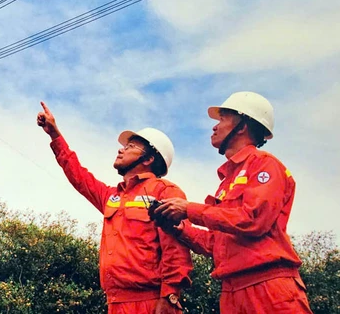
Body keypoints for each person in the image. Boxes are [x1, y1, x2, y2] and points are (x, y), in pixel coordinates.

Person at [151, 91, 312, 313]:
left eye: (222, 118)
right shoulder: (228, 181)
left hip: (268, 287)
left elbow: (253, 220)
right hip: (231, 291)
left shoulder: (265, 165)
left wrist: (188, 209)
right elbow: (215, 244)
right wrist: (179, 229)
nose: (215, 126)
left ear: (242, 125)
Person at [37, 101, 192, 314]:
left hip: (151, 302)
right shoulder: (112, 196)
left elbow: (176, 248)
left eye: (130, 147)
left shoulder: (165, 192)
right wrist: (55, 136)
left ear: (149, 158)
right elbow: (79, 176)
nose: (121, 149)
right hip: (115, 304)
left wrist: (170, 296)